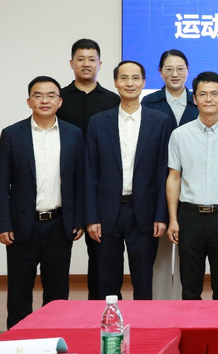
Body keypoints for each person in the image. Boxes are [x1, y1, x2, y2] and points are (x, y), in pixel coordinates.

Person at [0, 76, 84, 329]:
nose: (45, 100)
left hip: (59, 224)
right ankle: (17, 341)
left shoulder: (73, 134)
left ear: (60, 101)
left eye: (51, 95)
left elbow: (79, 181)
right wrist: (3, 224)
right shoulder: (12, 134)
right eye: (38, 95)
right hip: (22, 225)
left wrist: (78, 219)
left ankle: (54, 340)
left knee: (57, 292)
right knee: (19, 291)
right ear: (29, 101)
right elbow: (1, 184)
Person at [84, 61, 172, 300]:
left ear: (144, 82)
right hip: (106, 213)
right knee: (107, 281)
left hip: (144, 213)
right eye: (124, 78)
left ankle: (143, 323)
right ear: (115, 82)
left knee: (143, 281)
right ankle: (111, 323)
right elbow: (90, 172)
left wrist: (161, 215)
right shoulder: (98, 122)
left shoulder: (160, 121)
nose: (129, 83)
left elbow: (164, 172)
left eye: (135, 78)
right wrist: (91, 217)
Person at [166, 71, 218, 300]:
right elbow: (174, 177)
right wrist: (173, 219)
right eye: (203, 94)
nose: (209, 99)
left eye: (214, 94)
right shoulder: (179, 135)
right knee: (190, 286)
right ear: (194, 99)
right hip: (190, 217)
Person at [57, 38, 120, 300]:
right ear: (71, 63)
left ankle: (100, 309)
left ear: (100, 64)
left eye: (91, 59)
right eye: (80, 59)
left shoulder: (113, 100)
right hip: (65, 185)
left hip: (101, 187)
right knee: (58, 253)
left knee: (101, 254)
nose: (86, 64)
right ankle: (59, 309)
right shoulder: (59, 99)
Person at [142, 49, 198, 300]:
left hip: (193, 185)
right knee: (160, 251)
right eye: (169, 69)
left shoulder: (198, 100)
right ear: (160, 72)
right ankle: (161, 304)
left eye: (180, 69)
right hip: (158, 184)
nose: (175, 74)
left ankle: (184, 305)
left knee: (190, 253)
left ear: (188, 70)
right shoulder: (149, 102)